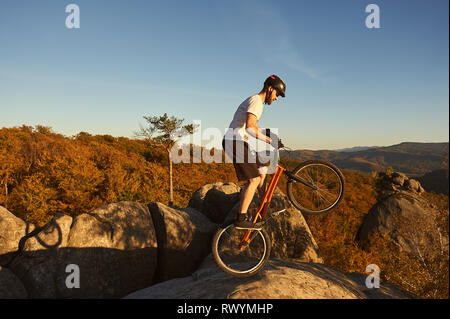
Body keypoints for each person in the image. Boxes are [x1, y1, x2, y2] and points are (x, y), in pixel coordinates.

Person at [222, 75, 286, 229]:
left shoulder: (256, 102)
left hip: (238, 141)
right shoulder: (257, 100)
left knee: (262, 171)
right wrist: (270, 141)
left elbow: (254, 126)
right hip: (234, 141)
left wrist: (270, 134)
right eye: (277, 94)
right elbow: (251, 128)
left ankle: (264, 207)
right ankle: (241, 218)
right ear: (270, 88)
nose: (276, 98)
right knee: (255, 180)